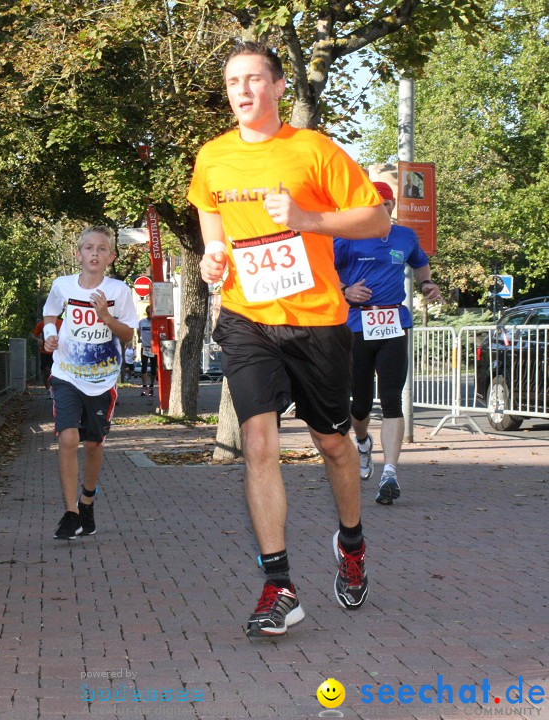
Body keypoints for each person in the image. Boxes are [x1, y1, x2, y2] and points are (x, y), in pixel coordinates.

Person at [186, 41, 391, 638]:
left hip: (318, 321)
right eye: (232, 82)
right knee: (257, 442)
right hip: (247, 318)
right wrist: (213, 259)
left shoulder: (314, 151)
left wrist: (307, 220)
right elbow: (212, 225)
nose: (243, 90)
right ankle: (279, 585)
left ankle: (351, 541)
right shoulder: (213, 158)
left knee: (332, 444)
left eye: (254, 79)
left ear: (278, 88)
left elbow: (377, 220)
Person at [334, 181, 442, 505]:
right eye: (376, 204)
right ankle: (363, 442)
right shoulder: (348, 235)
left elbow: (420, 260)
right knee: (361, 404)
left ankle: (390, 473)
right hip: (358, 324)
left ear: (392, 205)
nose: (382, 209)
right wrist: (345, 292)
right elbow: (324, 269)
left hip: (395, 322)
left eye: (387, 204)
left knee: (392, 396)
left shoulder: (404, 236)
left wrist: (426, 283)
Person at [42, 226, 138, 539]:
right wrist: (50, 337)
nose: (94, 253)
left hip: (102, 379)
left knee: (94, 444)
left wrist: (107, 318)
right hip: (67, 374)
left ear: (110, 256)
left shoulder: (119, 291)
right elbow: (49, 314)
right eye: (88, 248)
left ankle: (87, 501)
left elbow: (128, 334)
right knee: (68, 438)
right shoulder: (62, 285)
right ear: (79, 253)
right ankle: (71, 513)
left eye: (101, 249)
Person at [31, 314, 62, 388]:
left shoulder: (62, 323)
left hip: (58, 352)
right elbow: (33, 335)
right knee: (47, 371)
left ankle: (56, 389)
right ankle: (48, 389)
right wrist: (38, 340)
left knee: (58, 372)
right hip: (45, 351)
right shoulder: (42, 323)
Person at [138, 305, 156, 396]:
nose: (150, 315)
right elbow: (138, 330)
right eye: (148, 313)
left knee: (153, 369)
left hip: (154, 347)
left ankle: (151, 387)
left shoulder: (156, 322)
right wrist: (139, 338)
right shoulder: (142, 322)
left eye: (151, 313)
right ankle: (144, 386)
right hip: (145, 347)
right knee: (144, 367)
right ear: (147, 313)